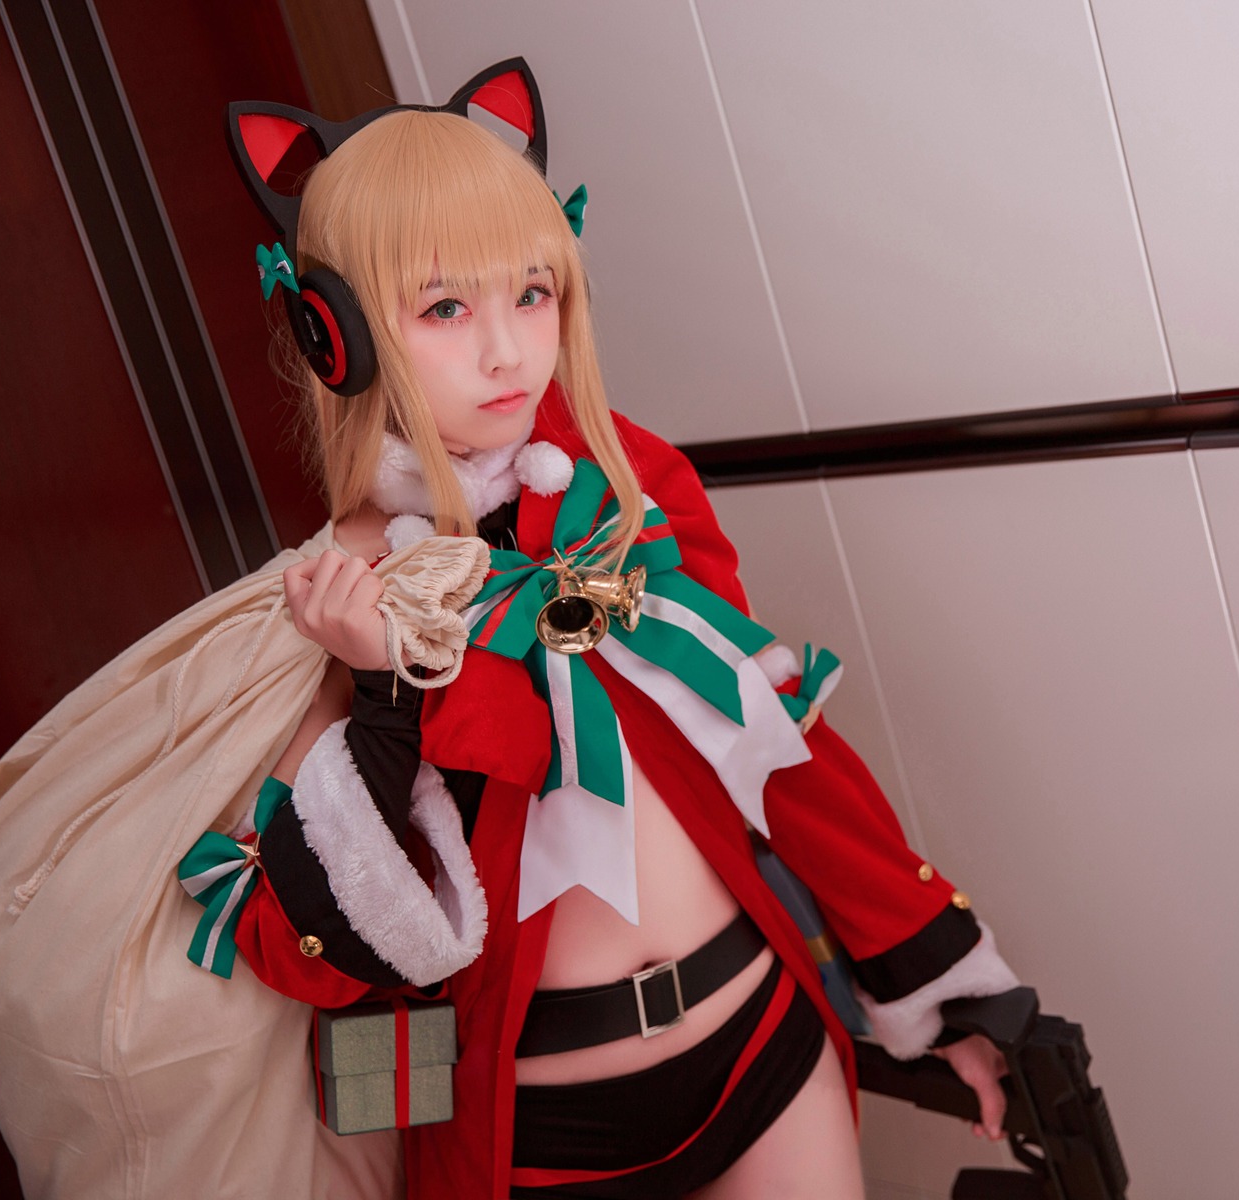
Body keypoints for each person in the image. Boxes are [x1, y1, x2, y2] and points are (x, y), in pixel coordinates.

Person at [226, 72, 1019, 1200]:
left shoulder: (625, 483)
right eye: (445, 308)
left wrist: (940, 981)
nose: (507, 352)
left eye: (532, 293)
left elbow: (773, 741)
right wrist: (385, 697)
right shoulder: (337, 590)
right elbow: (318, 954)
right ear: (333, 335)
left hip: (761, 1045)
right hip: (542, 1125)